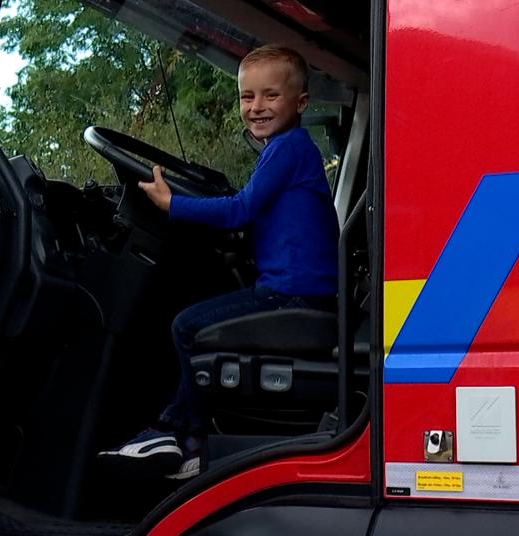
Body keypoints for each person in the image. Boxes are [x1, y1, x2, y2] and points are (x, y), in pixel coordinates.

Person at [97, 45, 339, 480]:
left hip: (291, 295)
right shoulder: (288, 150)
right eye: (247, 97)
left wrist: (173, 205)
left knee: (186, 325)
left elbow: (238, 209)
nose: (257, 107)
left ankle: (176, 430)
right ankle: (188, 441)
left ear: (300, 102)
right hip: (300, 292)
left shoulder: (289, 149)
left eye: (270, 95)